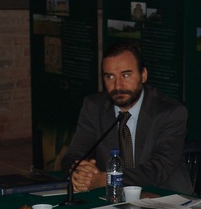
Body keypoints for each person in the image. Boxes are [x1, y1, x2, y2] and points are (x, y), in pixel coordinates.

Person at [61, 41, 193, 195]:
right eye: (110, 77)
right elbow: (73, 155)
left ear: (143, 75)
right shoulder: (94, 107)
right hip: (112, 201)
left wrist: (107, 179)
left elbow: (159, 169)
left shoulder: (170, 112)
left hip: (165, 198)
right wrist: (79, 172)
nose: (118, 85)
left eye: (126, 75)